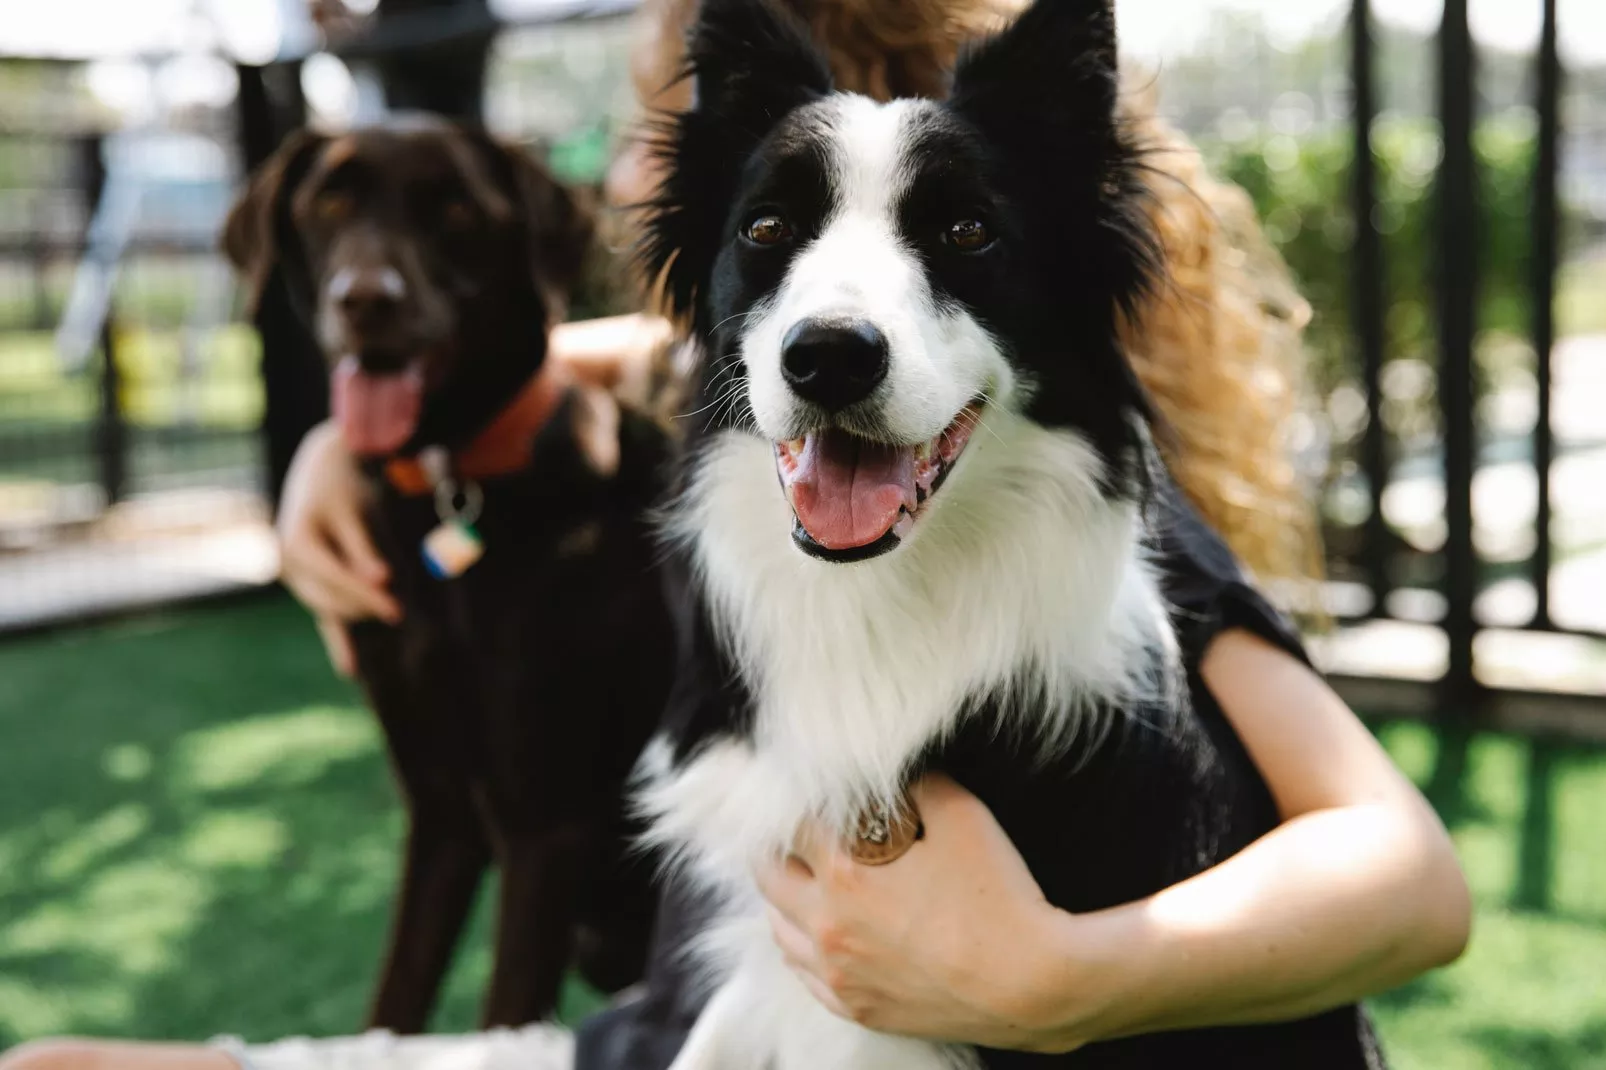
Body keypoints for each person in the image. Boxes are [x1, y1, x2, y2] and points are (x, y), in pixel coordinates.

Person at [0, 1, 1469, 1068]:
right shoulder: (742, 402)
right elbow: (635, 359)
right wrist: (350, 436)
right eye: (759, 228)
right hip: (667, 1029)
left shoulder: (1115, 539)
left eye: (660, 122)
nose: (631, 182)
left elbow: (1411, 876)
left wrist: (1050, 978)